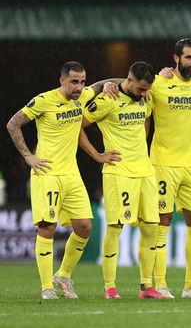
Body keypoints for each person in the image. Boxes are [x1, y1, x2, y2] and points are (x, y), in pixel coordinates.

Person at [5, 61, 116, 299]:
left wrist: (115, 84)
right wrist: (28, 157)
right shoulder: (44, 101)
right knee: (47, 227)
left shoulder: (84, 95)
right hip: (47, 173)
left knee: (85, 226)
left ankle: (63, 276)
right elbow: (13, 123)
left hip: (71, 174)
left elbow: (103, 84)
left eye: (82, 81)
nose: (79, 87)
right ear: (62, 81)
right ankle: (47, 287)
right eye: (74, 81)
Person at [79, 62, 162, 299]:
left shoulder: (146, 98)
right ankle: (110, 286)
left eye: (148, 89)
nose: (144, 93)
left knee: (151, 228)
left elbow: (146, 120)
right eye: (140, 88)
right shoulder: (106, 101)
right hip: (118, 172)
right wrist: (97, 155)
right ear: (129, 80)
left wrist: (140, 147)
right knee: (116, 228)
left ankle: (146, 286)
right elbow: (77, 127)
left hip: (145, 171)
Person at [149, 38, 191, 299]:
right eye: (189, 58)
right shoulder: (159, 82)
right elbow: (129, 83)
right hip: (163, 163)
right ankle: (161, 283)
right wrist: (110, 85)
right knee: (163, 221)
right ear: (175, 58)